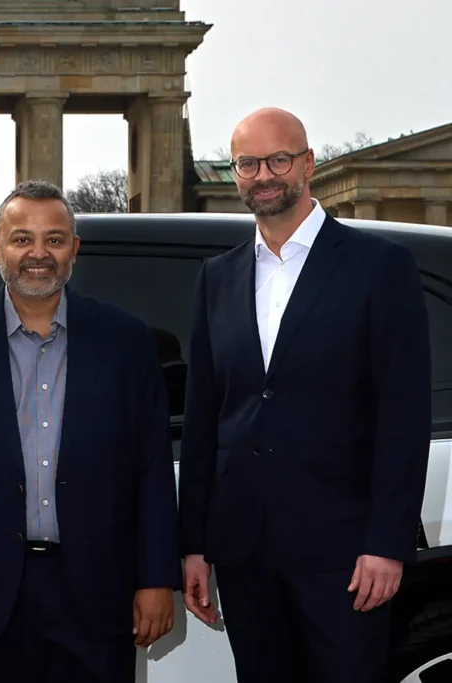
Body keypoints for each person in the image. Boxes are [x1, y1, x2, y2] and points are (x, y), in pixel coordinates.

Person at [178, 107, 432, 683]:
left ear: (308, 163)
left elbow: (403, 416)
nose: (264, 174)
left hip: (346, 555)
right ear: (235, 172)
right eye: (248, 163)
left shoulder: (379, 267)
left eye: (279, 159)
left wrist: (386, 544)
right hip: (245, 553)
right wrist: (194, 543)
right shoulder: (217, 277)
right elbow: (203, 418)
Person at [0, 179, 181, 683]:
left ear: (74, 249)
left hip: (99, 590)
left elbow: (153, 471)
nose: (38, 253)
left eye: (54, 239)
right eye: (21, 238)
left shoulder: (127, 343)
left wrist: (157, 578)